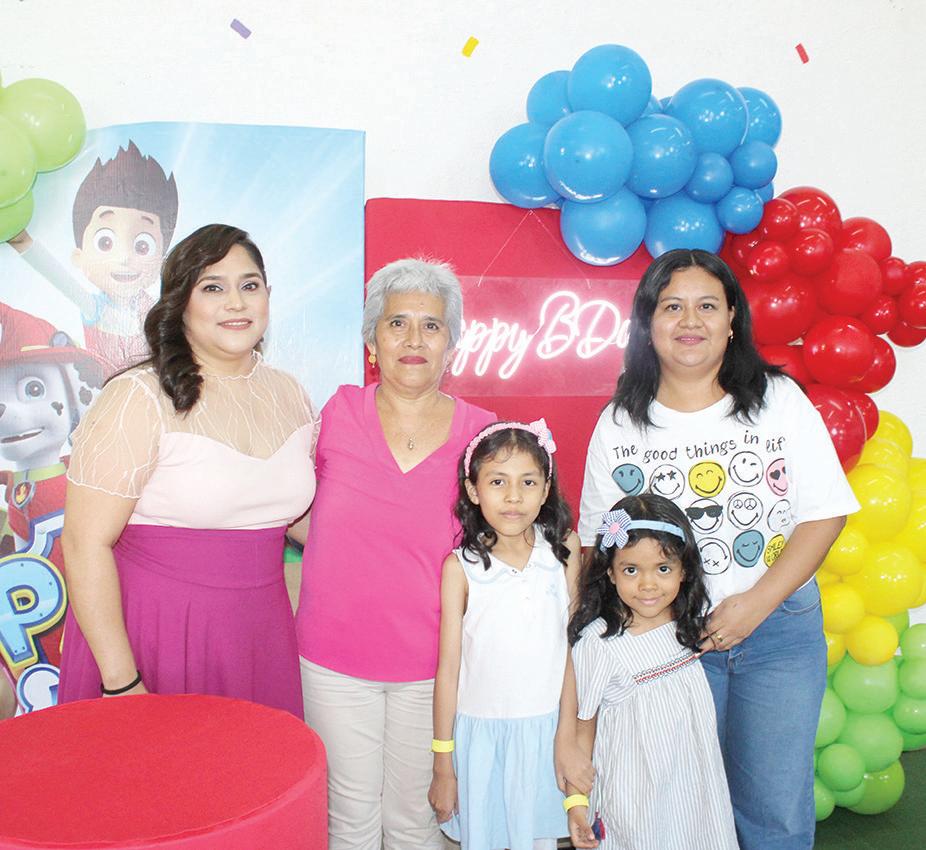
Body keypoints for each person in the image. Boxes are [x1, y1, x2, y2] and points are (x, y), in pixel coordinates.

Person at [578, 249, 858, 850]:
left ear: (733, 318)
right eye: (671, 307)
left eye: (707, 306)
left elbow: (825, 513)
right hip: (667, 644)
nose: (690, 321)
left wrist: (756, 603)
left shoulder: (777, 401)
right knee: (678, 809)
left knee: (775, 811)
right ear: (648, 322)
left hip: (778, 632)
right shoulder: (621, 424)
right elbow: (599, 544)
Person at [57, 223, 318, 717]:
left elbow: (300, 520)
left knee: (256, 762)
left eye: (249, 285)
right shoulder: (138, 397)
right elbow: (84, 543)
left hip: (262, 632)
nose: (236, 303)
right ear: (180, 304)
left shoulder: (291, 394)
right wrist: (121, 681)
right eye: (213, 288)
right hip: (156, 631)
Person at [294, 258, 495, 849]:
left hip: (434, 665)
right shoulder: (336, 414)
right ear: (371, 341)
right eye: (397, 323)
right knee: (348, 822)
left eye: (431, 326)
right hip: (332, 660)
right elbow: (293, 511)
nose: (414, 339)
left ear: (451, 346)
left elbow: (514, 540)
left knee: (415, 823)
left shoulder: (484, 434)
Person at [429, 420, 580, 850]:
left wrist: (568, 737)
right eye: (498, 481)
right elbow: (448, 671)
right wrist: (443, 763)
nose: (514, 496)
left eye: (528, 482)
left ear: (546, 488)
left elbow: (573, 653)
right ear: (473, 490)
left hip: (547, 735)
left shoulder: (563, 552)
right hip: (481, 742)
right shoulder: (460, 568)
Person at [566, 494, 737, 850]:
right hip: (634, 799)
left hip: (694, 790)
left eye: (663, 569)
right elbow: (581, 733)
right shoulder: (599, 643)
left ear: (684, 570)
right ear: (610, 572)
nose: (648, 584)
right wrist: (576, 804)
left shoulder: (687, 628)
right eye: (631, 570)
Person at [11, 141, 179, 374]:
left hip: (152, 388)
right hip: (105, 389)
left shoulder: (159, 310)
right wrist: (22, 241)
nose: (124, 258)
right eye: (105, 242)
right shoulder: (95, 308)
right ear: (79, 256)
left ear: (162, 260)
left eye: (142, 246)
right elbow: (58, 277)